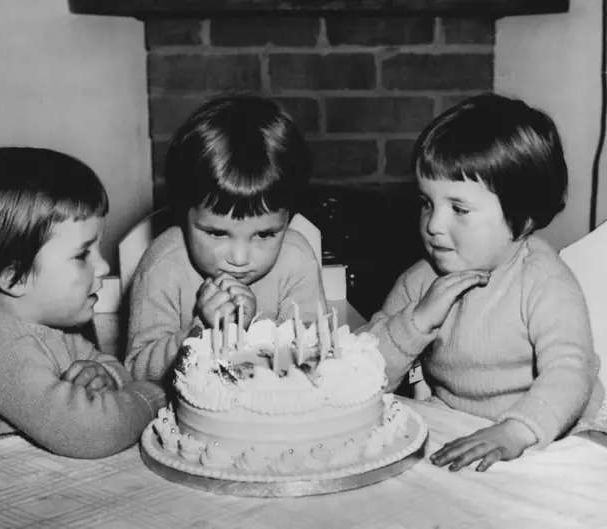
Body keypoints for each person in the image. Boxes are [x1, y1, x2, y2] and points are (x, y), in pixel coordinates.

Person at [358, 93, 607, 472]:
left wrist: (514, 432)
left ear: (521, 221)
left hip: (552, 424)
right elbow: (363, 375)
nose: (434, 225)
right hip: (458, 420)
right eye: (427, 202)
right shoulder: (420, 279)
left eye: (458, 209)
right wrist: (417, 322)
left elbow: (570, 372)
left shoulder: (544, 281)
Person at [0, 147, 166, 463]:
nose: (103, 266)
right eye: (82, 255)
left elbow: (107, 364)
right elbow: (93, 432)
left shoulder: (49, 319)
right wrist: (155, 395)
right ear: (13, 278)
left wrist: (108, 376)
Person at [125, 92, 326, 383]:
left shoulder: (297, 260)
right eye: (217, 233)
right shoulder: (163, 266)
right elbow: (137, 373)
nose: (240, 258)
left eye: (265, 234)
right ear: (184, 212)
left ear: (290, 218)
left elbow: (314, 358)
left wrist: (252, 334)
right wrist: (204, 330)